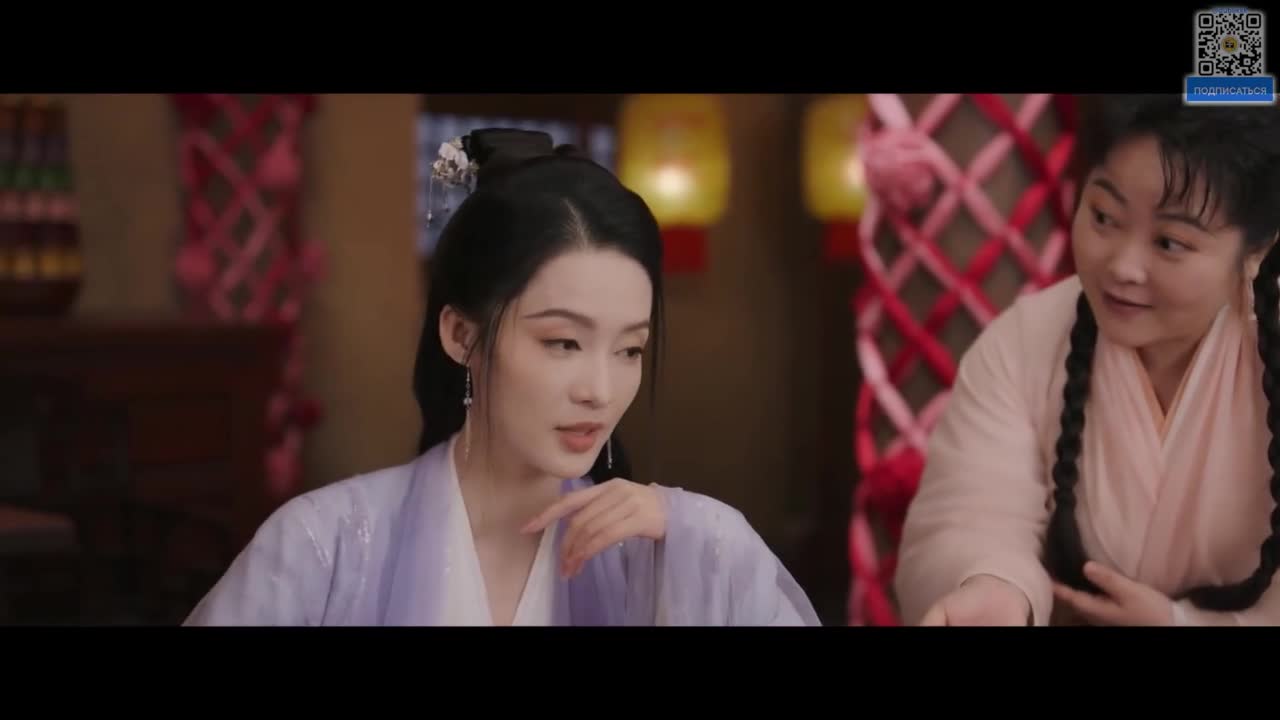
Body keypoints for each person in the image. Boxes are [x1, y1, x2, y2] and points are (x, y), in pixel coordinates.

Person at [184, 128, 820, 626]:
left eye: (629, 350)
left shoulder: (652, 550)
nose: (600, 391)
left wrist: (698, 531)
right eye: (563, 342)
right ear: (462, 336)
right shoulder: (325, 546)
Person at [892, 95, 1280, 626]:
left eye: (1169, 242)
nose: (1122, 266)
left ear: (1258, 250)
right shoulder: (1024, 344)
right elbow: (973, 512)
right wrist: (994, 583)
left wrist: (1181, 624)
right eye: (1103, 217)